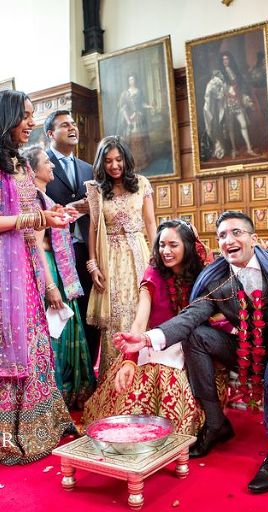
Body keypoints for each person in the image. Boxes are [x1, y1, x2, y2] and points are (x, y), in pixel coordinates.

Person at [115, 211, 268, 494]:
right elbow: (191, 316)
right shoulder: (218, 279)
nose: (228, 240)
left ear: (253, 239)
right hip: (248, 350)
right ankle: (216, 424)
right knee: (196, 335)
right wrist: (145, 339)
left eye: (236, 233)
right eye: (222, 236)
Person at [0, 90, 75, 468]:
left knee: (30, 334)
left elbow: (30, 215)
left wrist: (51, 216)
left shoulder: (19, 164)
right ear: (7, 117)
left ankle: (38, 423)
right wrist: (34, 220)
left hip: (23, 260)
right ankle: (0, 433)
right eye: (25, 116)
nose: (30, 122)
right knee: (7, 337)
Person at [83, 220, 217, 435]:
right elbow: (140, 320)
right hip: (153, 340)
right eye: (162, 245)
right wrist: (129, 361)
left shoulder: (202, 273)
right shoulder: (153, 274)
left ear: (188, 246)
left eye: (173, 245)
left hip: (192, 341)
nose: (166, 251)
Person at [22, 144, 96, 408]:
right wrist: (51, 286)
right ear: (32, 169)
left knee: (63, 328)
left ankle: (66, 395)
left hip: (58, 272)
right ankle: (55, 396)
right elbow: (36, 246)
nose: (52, 165)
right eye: (46, 162)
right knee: (57, 332)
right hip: (49, 271)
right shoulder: (34, 200)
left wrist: (67, 213)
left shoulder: (45, 198)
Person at [85, 136, 156, 379]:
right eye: (108, 161)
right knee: (115, 318)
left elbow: (150, 222)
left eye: (118, 160)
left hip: (139, 254)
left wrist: (156, 258)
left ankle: (143, 381)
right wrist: (93, 265)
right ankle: (112, 384)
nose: (114, 165)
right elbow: (93, 228)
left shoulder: (142, 184)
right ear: (101, 163)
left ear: (126, 159)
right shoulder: (97, 191)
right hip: (111, 257)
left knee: (142, 311)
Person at [43, 110, 100, 368]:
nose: (72, 128)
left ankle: (86, 375)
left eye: (74, 124)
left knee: (90, 310)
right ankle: (63, 373)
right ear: (50, 134)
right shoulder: (40, 165)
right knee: (61, 315)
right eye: (64, 125)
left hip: (86, 251)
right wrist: (71, 207)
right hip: (54, 252)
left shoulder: (88, 168)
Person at [117, 73, 151, 170]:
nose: (132, 81)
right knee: (131, 140)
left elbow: (142, 104)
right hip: (129, 119)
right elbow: (122, 107)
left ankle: (142, 162)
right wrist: (128, 119)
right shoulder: (125, 93)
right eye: (130, 80)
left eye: (133, 79)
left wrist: (149, 106)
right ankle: (132, 164)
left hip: (139, 117)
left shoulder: (139, 92)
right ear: (128, 81)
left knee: (140, 140)